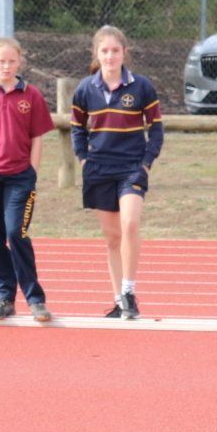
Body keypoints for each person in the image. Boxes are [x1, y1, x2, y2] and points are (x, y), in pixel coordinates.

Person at [70, 25, 163, 320]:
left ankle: (129, 291)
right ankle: (117, 302)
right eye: (105, 51)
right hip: (99, 169)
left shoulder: (141, 86)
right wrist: (84, 160)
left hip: (131, 168)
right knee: (112, 238)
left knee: (130, 224)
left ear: (124, 53)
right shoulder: (85, 88)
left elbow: (157, 129)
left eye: (115, 50)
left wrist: (146, 162)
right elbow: (76, 128)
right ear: (96, 54)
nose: (110, 56)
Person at [0, 38, 56, 323]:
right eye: (1, 61)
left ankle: (35, 299)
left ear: (20, 62)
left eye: (11, 61)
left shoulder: (32, 96)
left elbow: (36, 138)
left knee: (17, 232)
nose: (6, 66)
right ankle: (3, 298)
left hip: (19, 177)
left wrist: (32, 171)